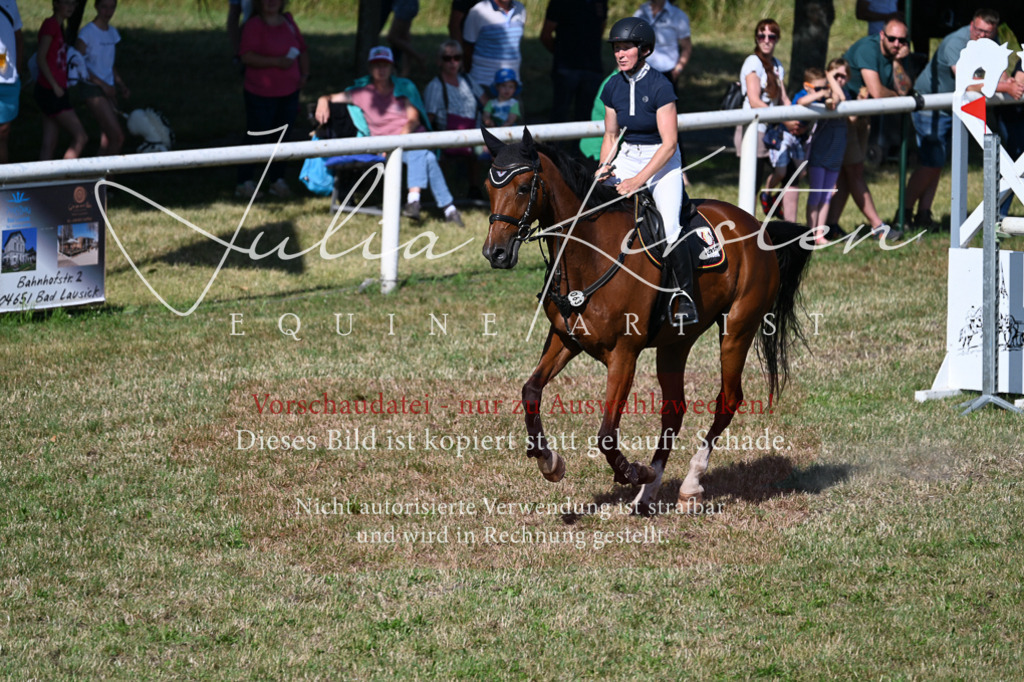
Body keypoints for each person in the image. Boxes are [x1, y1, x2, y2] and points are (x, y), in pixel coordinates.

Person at [596, 17, 696, 326]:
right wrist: (603, 168)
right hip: (627, 155)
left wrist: (638, 181)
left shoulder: (660, 85)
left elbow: (669, 143)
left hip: (661, 159)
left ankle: (685, 297)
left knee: (669, 227)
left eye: (626, 48)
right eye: (616, 48)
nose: (620, 54)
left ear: (645, 50)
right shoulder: (612, 86)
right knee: (594, 208)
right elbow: (611, 136)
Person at [316, 46, 465, 227]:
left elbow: (414, 120)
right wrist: (322, 100)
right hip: (388, 147)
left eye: (385, 65)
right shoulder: (362, 93)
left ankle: (415, 199)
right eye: (377, 65)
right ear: (370, 68)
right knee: (429, 157)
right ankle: (447, 208)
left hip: (408, 138)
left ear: (392, 67)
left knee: (419, 147)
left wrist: (398, 141)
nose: (381, 69)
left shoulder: (404, 88)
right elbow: (331, 97)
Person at [903, 9, 1024, 229]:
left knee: (937, 164)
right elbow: (966, 82)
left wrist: (1010, 82)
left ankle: (923, 214)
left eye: (988, 32)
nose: (982, 36)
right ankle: (903, 214)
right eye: (978, 30)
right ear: (971, 25)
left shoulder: (989, 40)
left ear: (994, 31)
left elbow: (998, 70)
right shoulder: (954, 44)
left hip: (954, 107)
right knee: (932, 163)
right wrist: (1006, 86)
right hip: (932, 104)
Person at [826, 16, 911, 240]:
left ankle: (830, 226)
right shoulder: (868, 49)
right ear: (882, 35)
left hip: (861, 116)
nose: (896, 44)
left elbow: (905, 88)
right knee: (853, 171)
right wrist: (895, 95)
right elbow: (877, 92)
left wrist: (897, 62)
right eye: (892, 39)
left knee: (848, 174)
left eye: (902, 41)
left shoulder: (892, 56)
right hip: (845, 116)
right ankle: (878, 227)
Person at [235, 0, 309, 199]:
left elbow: (301, 48)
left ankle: (277, 180)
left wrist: (304, 74)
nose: (271, 2)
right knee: (257, 136)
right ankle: (245, 181)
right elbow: (246, 57)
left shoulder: (288, 21)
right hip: (260, 92)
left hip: (289, 91)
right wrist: (277, 62)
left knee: (283, 138)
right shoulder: (253, 25)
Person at [735, 18, 799, 221]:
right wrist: (784, 119)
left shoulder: (777, 65)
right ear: (756, 37)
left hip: (772, 128)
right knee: (751, 182)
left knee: (791, 174)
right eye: (762, 35)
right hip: (754, 129)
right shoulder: (753, 62)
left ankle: (791, 229)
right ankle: (747, 228)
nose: (766, 40)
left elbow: (784, 98)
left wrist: (797, 119)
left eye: (771, 36)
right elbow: (754, 101)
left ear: (777, 39)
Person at [792, 61, 850, 242]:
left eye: (842, 76)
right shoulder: (814, 96)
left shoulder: (830, 94)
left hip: (835, 154)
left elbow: (841, 100)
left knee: (826, 196)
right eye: (834, 76)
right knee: (816, 194)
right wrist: (825, 87)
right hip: (817, 154)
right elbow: (801, 101)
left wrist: (830, 82)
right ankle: (811, 232)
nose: (837, 80)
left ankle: (819, 233)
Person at [423, 39, 484, 193]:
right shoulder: (435, 86)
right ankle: (442, 193)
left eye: (457, 58)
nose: (453, 62)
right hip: (446, 136)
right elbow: (429, 119)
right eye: (447, 58)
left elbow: (486, 102)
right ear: (439, 62)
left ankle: (476, 189)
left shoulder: (468, 81)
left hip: (474, 133)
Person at [35, 0, 88, 161]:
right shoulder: (51, 25)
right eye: (67, 3)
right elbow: (41, 58)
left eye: (74, 3)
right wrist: (55, 86)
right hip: (51, 91)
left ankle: (43, 184)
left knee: (49, 143)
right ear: (56, 3)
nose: (71, 7)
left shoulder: (59, 26)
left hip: (55, 89)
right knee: (81, 137)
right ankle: (65, 178)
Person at [540, 0, 607, 125]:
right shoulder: (559, 2)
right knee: (559, 114)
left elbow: (601, 28)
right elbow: (546, 35)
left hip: (592, 67)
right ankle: (553, 144)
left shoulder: (600, 2)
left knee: (587, 116)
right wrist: (561, 53)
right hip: (566, 67)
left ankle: (578, 145)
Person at [75, 0, 128, 156]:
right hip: (93, 89)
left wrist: (120, 84)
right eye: (104, 7)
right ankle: (105, 178)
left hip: (109, 88)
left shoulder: (112, 33)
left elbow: (109, 64)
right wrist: (103, 85)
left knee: (107, 140)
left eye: (112, 7)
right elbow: (79, 66)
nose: (108, 11)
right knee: (117, 137)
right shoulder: (87, 34)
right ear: (96, 7)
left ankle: (99, 179)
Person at [462, 0, 526, 95]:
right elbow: (467, 49)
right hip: (483, 84)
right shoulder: (478, 11)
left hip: (511, 85)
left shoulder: (520, 9)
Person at [0, 0, 24, 164]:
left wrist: (19, 69)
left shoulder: (10, 2)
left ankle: (3, 186)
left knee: (3, 133)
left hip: (8, 80)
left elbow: (19, 38)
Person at [386, 0, 423, 76]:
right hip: (404, 4)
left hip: (405, 4)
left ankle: (418, 57)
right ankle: (406, 71)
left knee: (392, 37)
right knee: (404, 38)